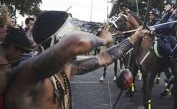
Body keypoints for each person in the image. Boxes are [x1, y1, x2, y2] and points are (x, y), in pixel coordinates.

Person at [3, 11, 148, 109]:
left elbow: (105, 57)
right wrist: (103, 40)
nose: (76, 31)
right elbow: (78, 42)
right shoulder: (31, 74)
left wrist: (134, 37)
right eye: (71, 31)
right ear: (58, 39)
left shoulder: (66, 68)